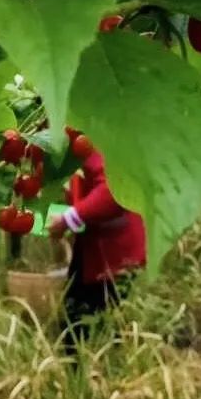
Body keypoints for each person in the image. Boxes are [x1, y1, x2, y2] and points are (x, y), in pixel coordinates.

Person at [48, 141, 146, 346]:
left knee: (92, 326)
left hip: (115, 255)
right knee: (77, 321)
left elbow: (113, 191)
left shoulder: (93, 139)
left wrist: (70, 218)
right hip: (99, 250)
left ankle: (89, 372)